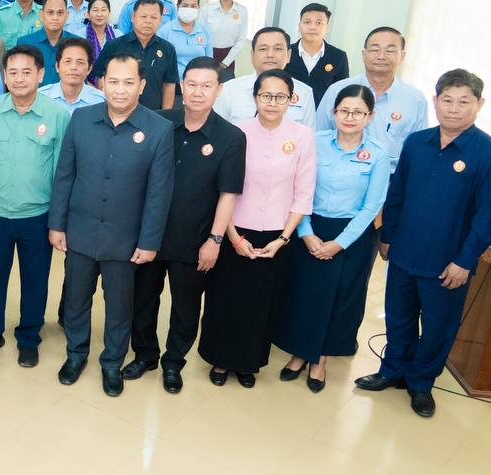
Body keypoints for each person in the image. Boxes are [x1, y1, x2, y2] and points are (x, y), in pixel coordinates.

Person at [356, 69, 491, 418]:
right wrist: (388, 237)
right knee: (398, 318)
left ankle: (420, 384)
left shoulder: (485, 151)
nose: (453, 109)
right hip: (404, 251)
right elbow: (397, 193)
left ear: (479, 104)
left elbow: (486, 216)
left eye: (463, 102)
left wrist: (464, 261)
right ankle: (393, 371)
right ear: (435, 101)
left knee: (437, 329)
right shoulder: (417, 142)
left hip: (448, 263)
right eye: (447, 100)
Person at [49, 50, 175, 397]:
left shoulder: (159, 129)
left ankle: (111, 364)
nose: (120, 89)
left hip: (126, 238)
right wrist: (57, 224)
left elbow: (159, 193)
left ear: (142, 85)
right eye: (114, 81)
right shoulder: (81, 119)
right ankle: (75, 355)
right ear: (102, 82)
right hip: (80, 231)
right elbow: (64, 175)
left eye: (129, 82)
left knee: (119, 306)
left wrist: (149, 242)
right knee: (76, 300)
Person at [121, 57, 244, 394]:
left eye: (207, 86)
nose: (198, 92)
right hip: (150, 234)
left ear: (218, 90)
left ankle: (174, 362)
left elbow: (228, 194)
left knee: (185, 307)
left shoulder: (231, 137)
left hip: (194, 239)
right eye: (192, 84)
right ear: (181, 87)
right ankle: (145, 354)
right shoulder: (159, 121)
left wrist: (215, 240)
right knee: (142, 300)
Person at [199, 69, 315, 388]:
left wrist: (283, 238)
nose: (272, 103)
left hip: (277, 234)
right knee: (226, 298)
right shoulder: (237, 132)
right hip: (235, 228)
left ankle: (248, 363)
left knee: (261, 302)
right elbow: (223, 188)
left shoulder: (303, 136)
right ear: (255, 98)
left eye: (280, 96)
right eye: (266, 96)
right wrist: (233, 237)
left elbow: (304, 193)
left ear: (291, 99)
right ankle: (220, 359)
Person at [273, 84, 388, 393]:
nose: (350, 117)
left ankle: (320, 359)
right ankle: (299, 353)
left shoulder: (378, 154)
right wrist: (306, 232)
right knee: (304, 295)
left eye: (358, 112)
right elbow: (299, 189)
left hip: (353, 235)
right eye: (344, 110)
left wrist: (340, 243)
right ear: (334, 112)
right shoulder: (314, 142)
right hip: (310, 226)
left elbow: (372, 206)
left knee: (339, 300)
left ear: (369, 116)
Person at [0, 45, 69, 369]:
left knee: (35, 281)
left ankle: (28, 338)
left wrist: (58, 222)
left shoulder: (57, 115)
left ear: (41, 74)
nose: (19, 78)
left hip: (37, 216)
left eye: (27, 72)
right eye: (12, 72)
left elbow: (63, 172)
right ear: (4, 76)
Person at [316, 27, 429, 170]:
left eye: (390, 50)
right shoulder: (337, 91)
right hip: (338, 174)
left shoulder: (415, 100)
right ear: (364, 54)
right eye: (375, 49)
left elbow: (418, 150)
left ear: (402, 56)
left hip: (390, 177)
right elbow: (319, 136)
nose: (381, 56)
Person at [214, 27, 317, 126]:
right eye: (263, 49)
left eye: (278, 49)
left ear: (288, 55)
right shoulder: (229, 90)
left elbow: (309, 135)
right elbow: (216, 132)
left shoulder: (304, 94)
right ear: (252, 55)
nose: (270, 55)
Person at [97, 0, 178, 110]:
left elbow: (169, 85)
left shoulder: (168, 49)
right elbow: (99, 78)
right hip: (117, 111)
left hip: (153, 113)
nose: (148, 21)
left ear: (160, 20)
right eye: (143, 16)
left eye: (154, 17)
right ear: (133, 17)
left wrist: (165, 114)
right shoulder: (114, 46)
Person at [284, 3, 349, 105]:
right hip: (289, 111)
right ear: (299, 26)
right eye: (307, 22)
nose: (312, 27)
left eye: (318, 23)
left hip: (322, 113)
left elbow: (342, 92)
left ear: (327, 27)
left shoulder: (338, 57)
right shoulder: (286, 52)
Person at [16, 0, 73, 85]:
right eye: (50, 12)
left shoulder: (76, 43)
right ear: (41, 15)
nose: (55, 17)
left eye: (60, 13)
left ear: (67, 15)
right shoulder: (25, 43)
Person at [157, 0, 212, 81]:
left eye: (193, 6)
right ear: (178, 6)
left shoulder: (205, 31)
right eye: (185, 6)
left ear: (198, 7)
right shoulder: (165, 31)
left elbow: (209, 63)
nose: (189, 9)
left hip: (198, 83)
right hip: (172, 83)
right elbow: (158, 62)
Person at [38, 38, 107, 114]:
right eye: (68, 61)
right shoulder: (40, 97)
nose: (73, 67)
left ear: (89, 69)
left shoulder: (100, 101)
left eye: (80, 62)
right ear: (57, 66)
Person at [202, 0, 248, 76]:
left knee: (226, 85)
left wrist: (226, 62)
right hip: (207, 55)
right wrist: (207, 58)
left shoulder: (242, 11)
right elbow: (200, 35)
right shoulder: (208, 9)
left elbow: (241, 40)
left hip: (228, 58)